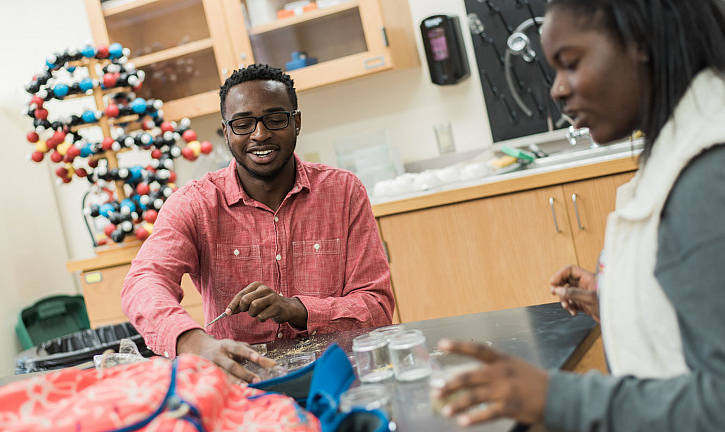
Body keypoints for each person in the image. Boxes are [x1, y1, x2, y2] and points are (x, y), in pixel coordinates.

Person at [433, 0, 725, 430]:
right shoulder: (685, 142)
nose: (557, 89)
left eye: (570, 63)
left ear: (639, 41)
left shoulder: (705, 178)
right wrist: (623, 298)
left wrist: (557, 397)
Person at [122, 64, 395, 383]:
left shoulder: (344, 192)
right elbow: (143, 282)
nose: (260, 134)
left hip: (339, 375)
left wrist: (298, 310)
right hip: (241, 383)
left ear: (297, 122)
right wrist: (193, 342)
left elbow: (376, 307)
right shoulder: (195, 204)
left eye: (275, 119)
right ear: (226, 132)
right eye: (243, 124)